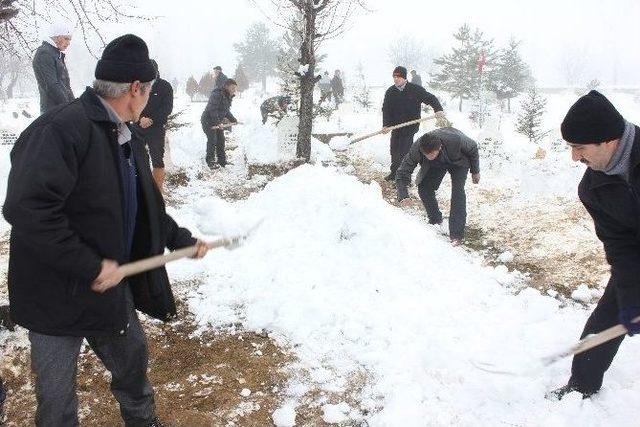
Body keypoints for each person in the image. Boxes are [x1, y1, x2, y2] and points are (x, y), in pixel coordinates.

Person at [3, 34, 209, 426]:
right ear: (136, 89)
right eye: (149, 91)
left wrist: (179, 238)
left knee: (133, 378)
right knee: (57, 406)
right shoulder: (60, 131)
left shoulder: (125, 136)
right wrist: (91, 265)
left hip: (109, 296)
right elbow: (28, 209)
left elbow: (139, 205)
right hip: (54, 299)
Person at [547, 90, 640, 400]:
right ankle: (582, 384)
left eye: (579, 147)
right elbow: (619, 242)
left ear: (608, 140)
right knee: (608, 316)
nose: (575, 158)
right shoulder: (593, 188)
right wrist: (630, 296)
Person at [396, 127, 480, 246]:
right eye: (426, 154)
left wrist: (475, 171)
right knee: (424, 188)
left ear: (439, 147)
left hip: (459, 161)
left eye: (432, 154)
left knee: (458, 192)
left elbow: (472, 147)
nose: (429, 156)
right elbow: (402, 172)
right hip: (437, 164)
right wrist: (403, 195)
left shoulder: (455, 139)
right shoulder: (417, 148)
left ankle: (456, 235)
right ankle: (435, 220)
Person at [382, 66, 447, 182]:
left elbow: (431, 98)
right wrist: (386, 125)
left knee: (404, 152)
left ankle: (404, 178)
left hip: (410, 127)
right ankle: (394, 173)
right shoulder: (391, 91)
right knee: (394, 151)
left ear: (405, 77)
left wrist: (438, 109)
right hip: (396, 127)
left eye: (399, 77)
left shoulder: (415, 89)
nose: (396, 79)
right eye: (394, 77)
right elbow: (386, 109)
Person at [137, 59, 173, 193]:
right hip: (138, 126)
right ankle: (142, 187)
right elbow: (132, 105)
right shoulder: (138, 86)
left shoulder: (165, 86)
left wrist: (151, 120)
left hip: (156, 127)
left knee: (157, 157)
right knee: (138, 156)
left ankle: (157, 189)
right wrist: (140, 119)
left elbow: (167, 108)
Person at [32, 22, 75, 114]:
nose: (68, 43)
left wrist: (74, 106)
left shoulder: (56, 54)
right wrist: (68, 106)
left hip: (61, 110)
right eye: (66, 38)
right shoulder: (44, 54)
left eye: (69, 40)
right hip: (52, 112)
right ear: (56, 37)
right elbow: (51, 85)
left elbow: (66, 86)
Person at [201, 79, 238, 169]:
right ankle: (210, 161)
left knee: (221, 140)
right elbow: (212, 109)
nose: (234, 90)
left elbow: (225, 110)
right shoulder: (217, 94)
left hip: (217, 122)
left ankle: (222, 161)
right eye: (232, 88)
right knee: (212, 140)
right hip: (208, 121)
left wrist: (233, 119)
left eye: (235, 88)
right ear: (226, 86)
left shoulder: (227, 96)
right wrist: (218, 122)